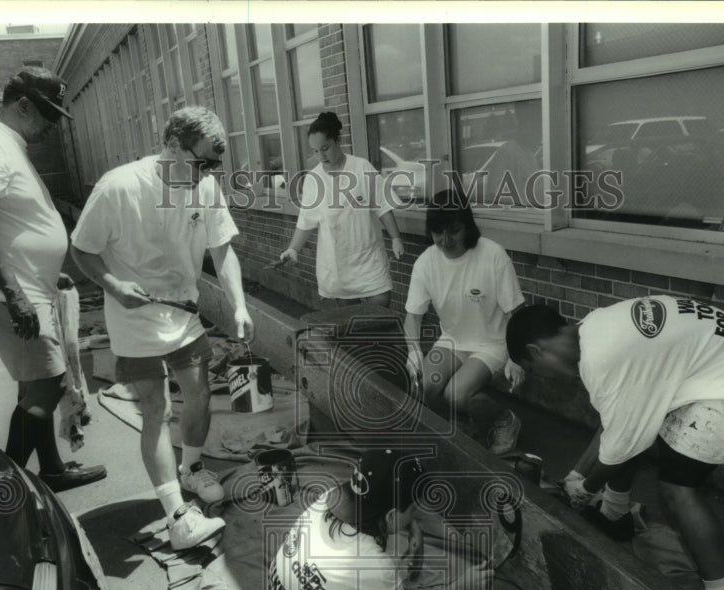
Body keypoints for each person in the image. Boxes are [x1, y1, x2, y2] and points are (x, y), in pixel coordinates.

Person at [506, 296, 724, 590]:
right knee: (635, 429)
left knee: (678, 489)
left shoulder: (600, 361)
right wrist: (577, 476)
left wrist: (584, 489)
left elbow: (623, 442)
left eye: (535, 372)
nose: (544, 379)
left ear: (535, 352)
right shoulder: (596, 327)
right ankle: (614, 515)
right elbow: (620, 425)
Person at [69, 106, 255, 551]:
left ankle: (191, 469)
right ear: (172, 144)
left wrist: (240, 306)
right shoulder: (119, 187)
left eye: (214, 164)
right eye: (202, 161)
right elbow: (82, 249)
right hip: (134, 317)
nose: (208, 172)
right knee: (157, 412)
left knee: (201, 394)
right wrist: (112, 285)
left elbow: (222, 250)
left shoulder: (204, 186)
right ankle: (176, 516)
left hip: (184, 311)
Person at [0, 66, 106, 492]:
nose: (53, 127)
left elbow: (10, 221)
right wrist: (16, 293)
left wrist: (41, 271)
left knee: (33, 388)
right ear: (23, 106)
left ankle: (52, 470)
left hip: (27, 286)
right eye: (49, 115)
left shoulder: (7, 145)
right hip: (10, 295)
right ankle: (3, 491)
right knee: (48, 386)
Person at [267, 448, 491, 590]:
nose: (416, 516)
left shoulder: (330, 497)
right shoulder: (373, 567)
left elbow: (386, 519)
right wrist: (461, 588)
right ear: (392, 516)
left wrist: (412, 526)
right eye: (413, 510)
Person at [403, 189, 525, 455]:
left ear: (467, 226)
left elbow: (518, 312)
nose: (445, 241)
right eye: (438, 233)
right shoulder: (425, 263)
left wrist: (516, 356)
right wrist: (413, 351)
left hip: (493, 343)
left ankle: (505, 420)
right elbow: (413, 316)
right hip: (454, 340)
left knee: (455, 393)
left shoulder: (493, 255)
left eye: (454, 231)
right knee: (425, 384)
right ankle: (466, 427)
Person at [275, 112, 404, 307]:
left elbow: (383, 205)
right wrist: (293, 248)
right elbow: (306, 221)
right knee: (348, 324)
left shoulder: (362, 168)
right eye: (315, 151)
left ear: (338, 140)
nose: (320, 156)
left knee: (380, 308)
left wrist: (396, 238)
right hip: (337, 264)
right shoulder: (313, 179)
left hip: (369, 258)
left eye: (325, 148)